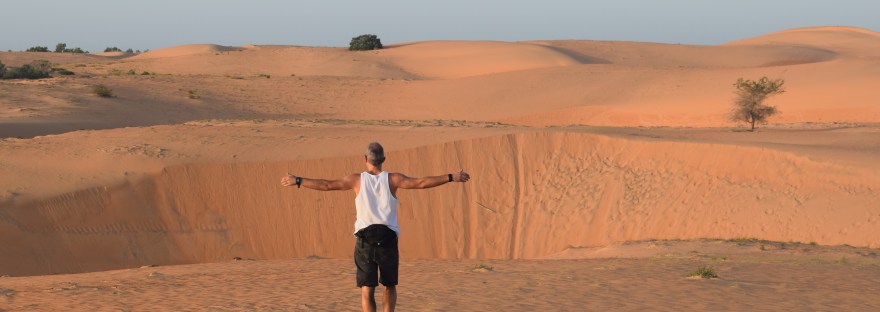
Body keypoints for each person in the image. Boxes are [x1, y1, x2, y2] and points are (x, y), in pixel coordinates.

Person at [280, 142, 470, 312]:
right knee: (389, 285)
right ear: (383, 159)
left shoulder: (356, 180)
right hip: (387, 240)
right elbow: (420, 183)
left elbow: (327, 185)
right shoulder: (393, 179)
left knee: (367, 289)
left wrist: (298, 180)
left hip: (364, 241)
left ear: (365, 159)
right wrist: (451, 176)